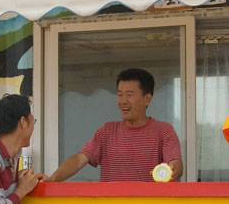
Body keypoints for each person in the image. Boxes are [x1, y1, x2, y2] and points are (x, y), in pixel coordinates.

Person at [46, 68, 184, 182]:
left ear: (147, 99)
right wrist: (52, 179)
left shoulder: (163, 131)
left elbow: (175, 163)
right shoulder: (106, 131)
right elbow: (79, 160)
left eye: (129, 95)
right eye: (120, 94)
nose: (123, 101)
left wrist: (173, 169)